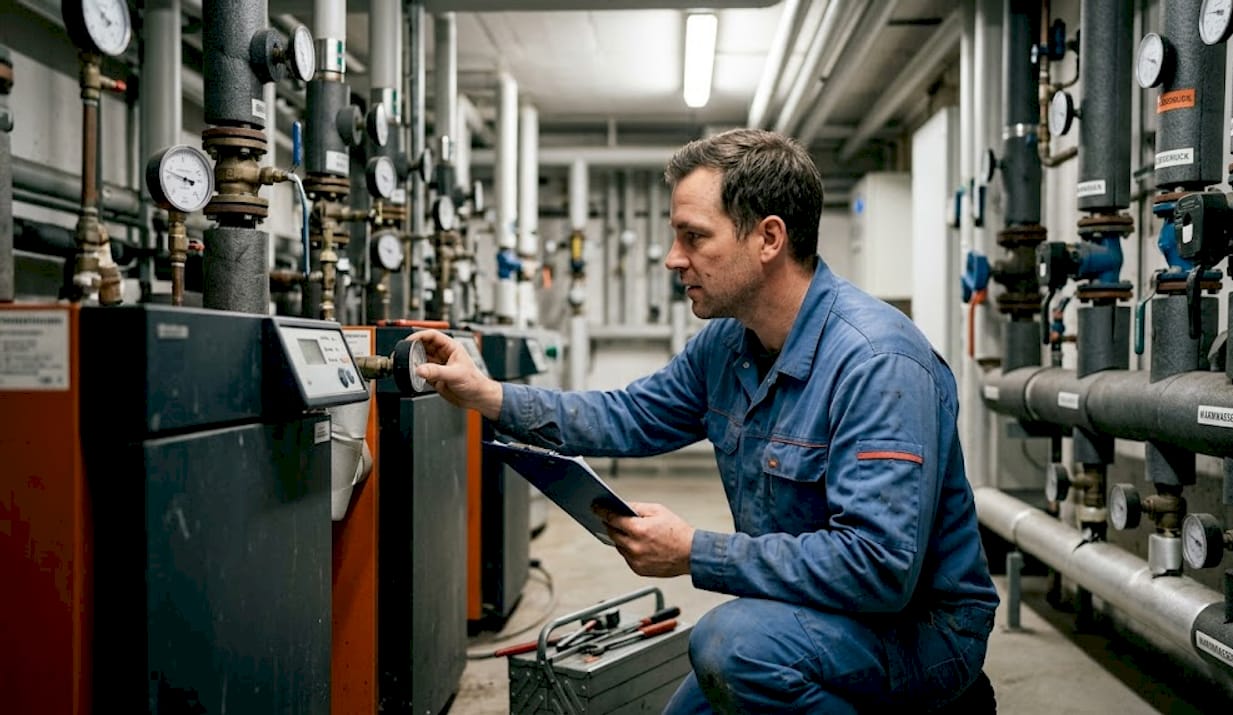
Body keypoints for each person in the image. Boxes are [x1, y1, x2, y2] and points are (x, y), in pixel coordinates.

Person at [411, 128, 998, 713]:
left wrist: (695, 551)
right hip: (809, 613)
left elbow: (878, 569)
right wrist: (487, 395)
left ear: (768, 238)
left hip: (919, 633)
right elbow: (630, 416)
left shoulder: (877, 363)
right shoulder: (728, 345)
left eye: (693, 237)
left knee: (732, 648)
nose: (673, 258)